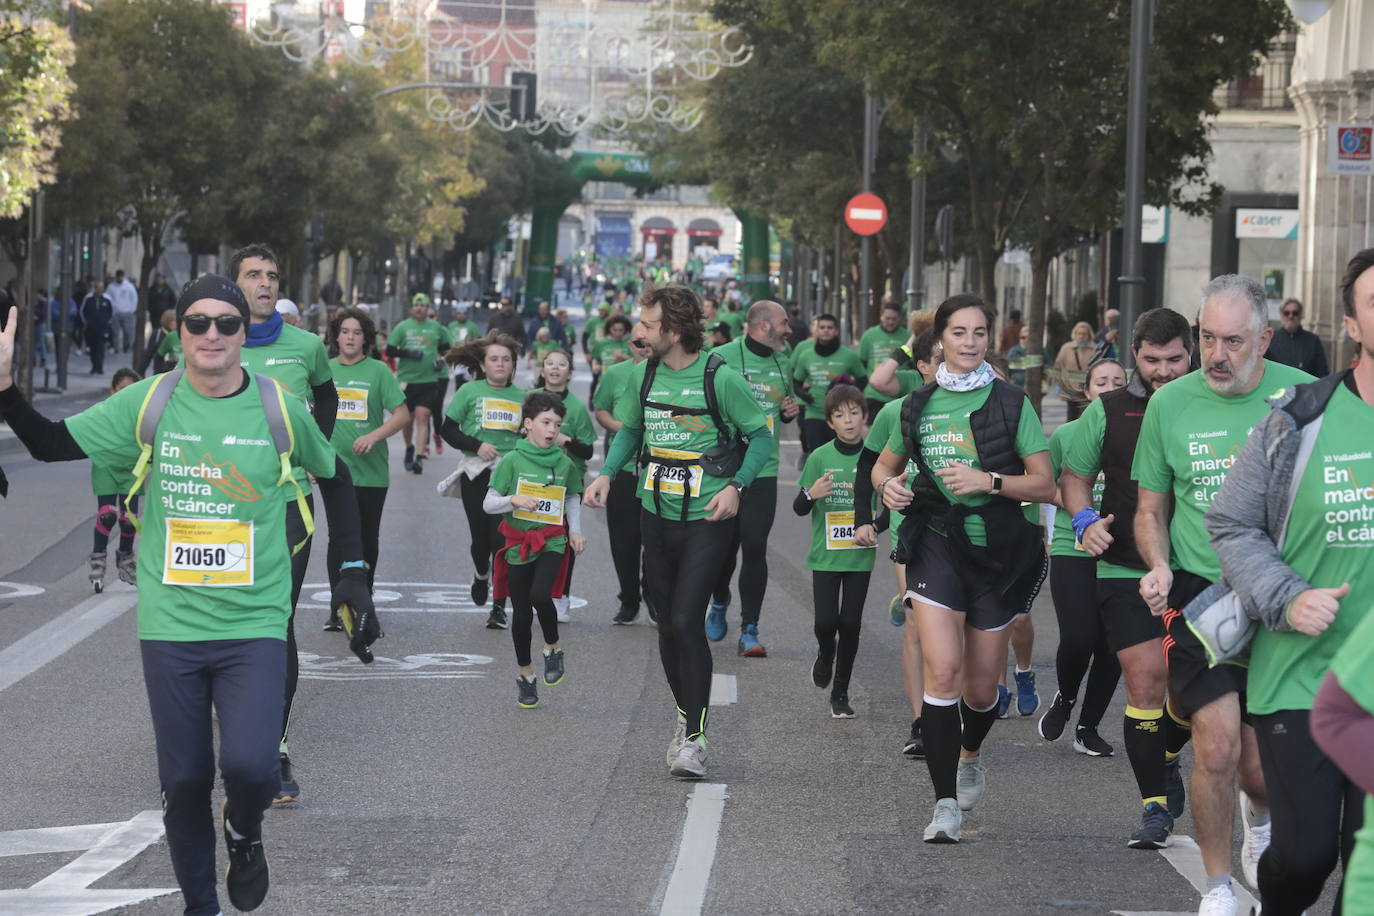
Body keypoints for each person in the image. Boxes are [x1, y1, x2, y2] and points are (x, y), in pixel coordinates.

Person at [0, 279, 379, 916]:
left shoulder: (278, 406)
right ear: (179, 332)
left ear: (242, 333)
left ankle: (244, 831)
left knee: (253, 768)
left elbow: (336, 478)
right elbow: (49, 443)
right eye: (197, 322)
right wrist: (6, 387)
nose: (211, 335)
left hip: (255, 620)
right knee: (183, 780)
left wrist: (352, 572)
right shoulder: (149, 401)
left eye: (225, 324)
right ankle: (199, 905)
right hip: (172, 625)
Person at [1132, 275, 1313, 914]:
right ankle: (1216, 890)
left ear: (1264, 339)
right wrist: (1155, 562)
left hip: (1276, 593)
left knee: (1259, 768)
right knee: (1215, 744)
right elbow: (1150, 508)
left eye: (1233, 341)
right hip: (1199, 596)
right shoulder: (1170, 404)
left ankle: (1258, 816)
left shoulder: (1302, 399)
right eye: (1207, 337)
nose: (1217, 354)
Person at [1204, 250, 1374, 914]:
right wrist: (1286, 596)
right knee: (1305, 854)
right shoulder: (1300, 417)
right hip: (1304, 675)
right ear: (1354, 325)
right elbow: (1232, 524)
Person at [872, 293, 1055, 844]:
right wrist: (891, 488)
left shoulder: (1012, 402)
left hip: (997, 552)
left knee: (980, 692)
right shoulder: (915, 406)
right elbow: (883, 468)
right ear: (940, 341)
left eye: (980, 333)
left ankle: (970, 753)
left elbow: (1044, 485)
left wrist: (990, 482)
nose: (970, 342)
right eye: (959, 333)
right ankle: (944, 802)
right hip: (935, 544)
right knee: (943, 671)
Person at [584, 285, 772, 779]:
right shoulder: (643, 374)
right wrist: (607, 473)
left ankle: (695, 739)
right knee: (665, 622)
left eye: (647, 325)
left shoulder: (719, 377)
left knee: (688, 620)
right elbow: (630, 429)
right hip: (655, 512)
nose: (638, 333)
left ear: (673, 329)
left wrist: (736, 486)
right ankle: (687, 717)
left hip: (707, 518)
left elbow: (760, 436)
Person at [1058, 308, 1195, 850]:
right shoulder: (1111, 410)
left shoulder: (1211, 405)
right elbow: (1075, 477)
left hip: (1197, 569)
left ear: (1193, 352)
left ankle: (1168, 753)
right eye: (1152, 360)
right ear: (1134, 354)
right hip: (1124, 567)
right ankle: (1154, 808)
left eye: (1174, 359)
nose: (1163, 371)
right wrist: (1083, 518)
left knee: (1184, 696)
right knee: (1144, 682)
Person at [228, 243, 340, 806]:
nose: (265, 284)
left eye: (272, 276)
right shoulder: (214, 339)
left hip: (289, 503)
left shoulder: (307, 345)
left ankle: (274, 748)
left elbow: (327, 394)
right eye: (254, 275)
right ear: (235, 284)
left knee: (277, 621)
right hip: (221, 509)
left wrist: (313, 449)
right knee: (221, 623)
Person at [858, 328, 941, 758]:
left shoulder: (990, 403)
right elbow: (871, 467)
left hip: (966, 532)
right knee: (917, 624)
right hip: (912, 529)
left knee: (956, 631)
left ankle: (953, 709)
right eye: (941, 357)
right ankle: (922, 723)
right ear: (923, 366)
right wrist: (874, 510)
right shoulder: (899, 409)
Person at [1041, 358, 1127, 759]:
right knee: (1079, 637)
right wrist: (1084, 513)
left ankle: (1087, 727)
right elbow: (1049, 485)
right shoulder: (1067, 435)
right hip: (1071, 545)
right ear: (1087, 391)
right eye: (1101, 381)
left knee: (1113, 644)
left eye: (1118, 381)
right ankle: (1065, 696)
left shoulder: (1140, 429)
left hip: (1122, 550)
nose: (1109, 387)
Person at [707, 300, 800, 655]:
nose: (789, 329)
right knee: (722, 550)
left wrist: (789, 411)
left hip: (765, 468)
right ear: (763, 326)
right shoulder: (722, 357)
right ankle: (719, 601)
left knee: (755, 547)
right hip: (726, 468)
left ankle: (750, 628)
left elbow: (784, 407)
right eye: (784, 323)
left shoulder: (783, 361)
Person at [484, 391, 586, 708]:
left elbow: (571, 496)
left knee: (541, 595)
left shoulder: (564, 462)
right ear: (528, 424)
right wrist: (512, 500)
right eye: (545, 422)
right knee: (522, 613)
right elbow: (488, 504)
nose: (552, 430)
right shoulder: (512, 461)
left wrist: (577, 530)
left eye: (556, 424)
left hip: (552, 539)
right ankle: (526, 675)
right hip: (518, 543)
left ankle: (552, 647)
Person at [324, 306, 411, 629]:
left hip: (372, 473)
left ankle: (364, 601)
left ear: (365, 339)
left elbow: (402, 414)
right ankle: (337, 607)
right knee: (338, 538)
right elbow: (305, 409)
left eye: (357, 333)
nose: (350, 337)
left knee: (366, 538)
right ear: (336, 336)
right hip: (334, 469)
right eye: (345, 331)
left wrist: (374, 436)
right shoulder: (325, 370)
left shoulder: (377, 372)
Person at [796, 384, 878, 718]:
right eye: (840, 415)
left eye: (854, 413)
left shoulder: (874, 459)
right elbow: (799, 506)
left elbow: (888, 504)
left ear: (865, 417)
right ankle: (825, 652)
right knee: (826, 622)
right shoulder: (819, 457)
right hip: (825, 556)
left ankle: (840, 692)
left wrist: (875, 525)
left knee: (852, 623)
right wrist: (811, 493)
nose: (848, 421)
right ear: (829, 422)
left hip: (859, 555)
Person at [440, 333, 525, 629]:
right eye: (494, 359)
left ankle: (499, 606)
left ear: (513, 365)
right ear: (483, 364)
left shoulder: (524, 397)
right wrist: (477, 445)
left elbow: (532, 436)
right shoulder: (469, 391)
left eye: (506, 359)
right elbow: (448, 429)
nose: (500, 364)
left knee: (501, 541)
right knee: (481, 539)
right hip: (476, 473)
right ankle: (480, 574)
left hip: (509, 476)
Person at [592, 322, 653, 625]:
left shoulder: (667, 373)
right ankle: (629, 598)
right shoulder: (616, 374)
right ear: (630, 346)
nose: (644, 349)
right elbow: (600, 409)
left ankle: (652, 593)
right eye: (637, 344)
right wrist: (621, 428)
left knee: (655, 539)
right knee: (624, 540)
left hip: (658, 470)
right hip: (625, 469)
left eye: (648, 342)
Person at [529, 348, 595, 623]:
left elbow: (588, 451)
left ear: (570, 372)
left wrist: (565, 441)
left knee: (563, 543)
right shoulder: (530, 402)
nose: (555, 368)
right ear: (542, 370)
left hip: (566, 485)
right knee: (532, 539)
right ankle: (533, 592)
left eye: (562, 364)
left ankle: (561, 597)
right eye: (550, 364)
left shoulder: (577, 409)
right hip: (533, 483)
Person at [88, 368, 143, 592]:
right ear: (112, 391)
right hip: (106, 467)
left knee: (129, 518)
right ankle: (98, 560)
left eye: (132, 390)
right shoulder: (102, 412)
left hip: (131, 469)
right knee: (107, 514)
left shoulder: (143, 415)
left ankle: (126, 559)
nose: (126, 394)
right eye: (122, 389)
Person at [387, 293, 452, 476]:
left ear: (428, 308)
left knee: (423, 417)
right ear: (412, 308)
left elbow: (446, 348)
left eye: (423, 305)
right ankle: (409, 447)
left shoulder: (436, 328)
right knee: (407, 420)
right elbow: (391, 350)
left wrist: (442, 360)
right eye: (417, 305)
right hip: (407, 382)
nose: (420, 308)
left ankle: (418, 456)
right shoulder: (403, 327)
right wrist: (408, 353)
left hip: (429, 380)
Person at [791, 313, 866, 457]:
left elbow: (862, 380)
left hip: (841, 415)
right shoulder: (806, 355)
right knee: (817, 455)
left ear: (836, 331)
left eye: (830, 328)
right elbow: (796, 382)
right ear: (816, 330)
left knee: (839, 456)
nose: (826, 330)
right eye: (822, 327)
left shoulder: (849, 356)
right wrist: (804, 395)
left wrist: (849, 395)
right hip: (814, 413)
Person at [860, 301, 910, 421]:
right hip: (873, 395)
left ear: (900, 318)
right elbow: (862, 364)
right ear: (881, 316)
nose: (891, 322)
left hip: (900, 396)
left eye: (894, 319)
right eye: (887, 318)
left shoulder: (908, 336)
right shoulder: (869, 336)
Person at [1265, 297, 1329, 377]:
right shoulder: (1271, 339)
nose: (1291, 316)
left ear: (1300, 316)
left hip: (1306, 388)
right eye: (1286, 313)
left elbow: (1322, 372)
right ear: (1281, 316)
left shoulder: (1313, 341)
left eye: (1295, 313)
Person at [1053, 320, 1095, 420]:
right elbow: (1058, 367)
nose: (1081, 336)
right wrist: (1061, 388)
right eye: (1079, 333)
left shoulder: (1095, 349)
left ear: (1089, 335)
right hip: (1071, 389)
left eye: (1084, 334)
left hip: (1087, 390)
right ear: (1075, 334)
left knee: (1086, 417)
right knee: (1071, 417)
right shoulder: (1067, 348)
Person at [80, 280, 113, 375]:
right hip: (91, 328)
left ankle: (99, 366)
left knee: (101, 348)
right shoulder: (88, 299)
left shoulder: (107, 300)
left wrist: (107, 322)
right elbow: (83, 311)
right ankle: (94, 366)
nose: (99, 290)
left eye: (101, 288)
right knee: (93, 348)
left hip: (102, 328)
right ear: (95, 288)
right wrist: (87, 322)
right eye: (97, 288)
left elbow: (111, 312)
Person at [107, 269, 139, 353]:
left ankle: (126, 346)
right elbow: (108, 298)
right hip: (115, 313)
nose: (119, 279)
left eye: (121, 277)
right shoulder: (111, 287)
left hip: (127, 312)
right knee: (115, 332)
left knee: (128, 332)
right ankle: (116, 348)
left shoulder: (129, 286)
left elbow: (134, 298)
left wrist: (132, 309)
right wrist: (111, 310)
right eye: (118, 277)